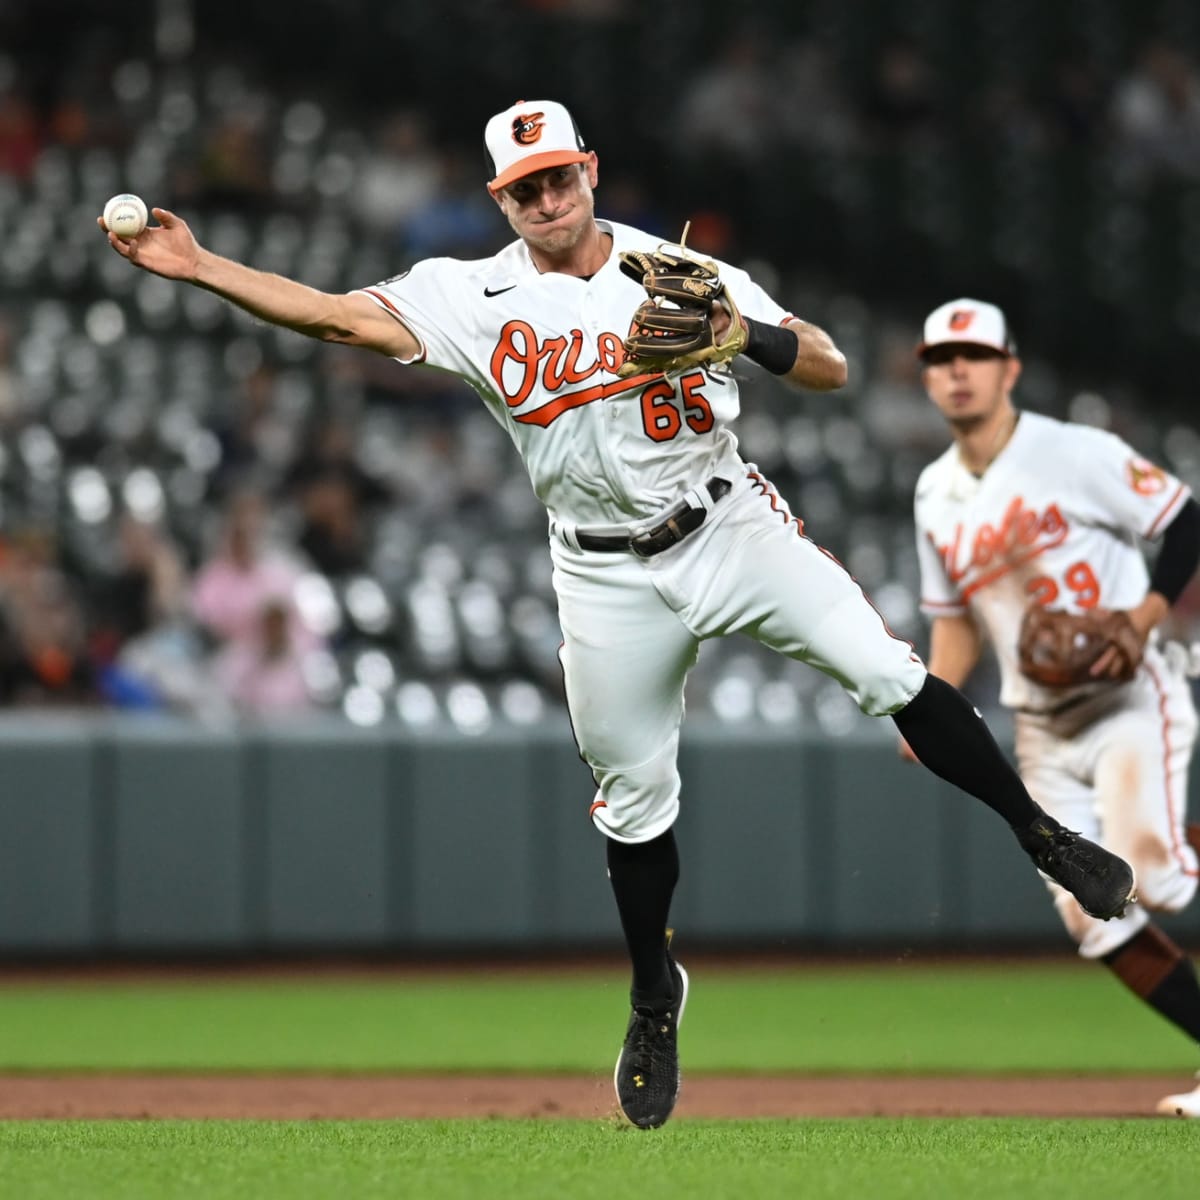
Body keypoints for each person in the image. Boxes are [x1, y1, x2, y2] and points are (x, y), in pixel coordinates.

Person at [100, 100, 1136, 1131]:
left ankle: (1042, 833)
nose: (547, 198)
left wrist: (747, 332)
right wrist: (203, 269)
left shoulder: (673, 272)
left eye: (560, 176)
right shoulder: (470, 295)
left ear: (590, 171)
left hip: (730, 524)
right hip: (599, 572)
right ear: (500, 199)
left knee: (884, 670)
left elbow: (830, 364)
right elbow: (334, 314)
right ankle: (654, 996)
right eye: (525, 187)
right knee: (635, 798)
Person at [907, 297, 1200, 1120]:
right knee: (1097, 917)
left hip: (1127, 703)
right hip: (1039, 729)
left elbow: (1185, 523)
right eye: (941, 358)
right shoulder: (934, 492)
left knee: (1158, 877)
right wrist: (933, 701)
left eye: (974, 354)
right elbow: (956, 623)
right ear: (927, 376)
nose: (957, 370)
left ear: (1010, 368)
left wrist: (1144, 619)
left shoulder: (1074, 451)